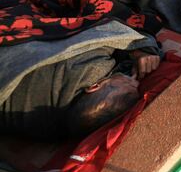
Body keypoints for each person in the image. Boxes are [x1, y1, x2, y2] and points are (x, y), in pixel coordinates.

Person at [0, 47, 160, 139]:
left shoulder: (91, 70)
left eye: (127, 83)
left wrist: (140, 51)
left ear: (94, 86)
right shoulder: (55, 133)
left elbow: (106, 33)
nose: (136, 81)